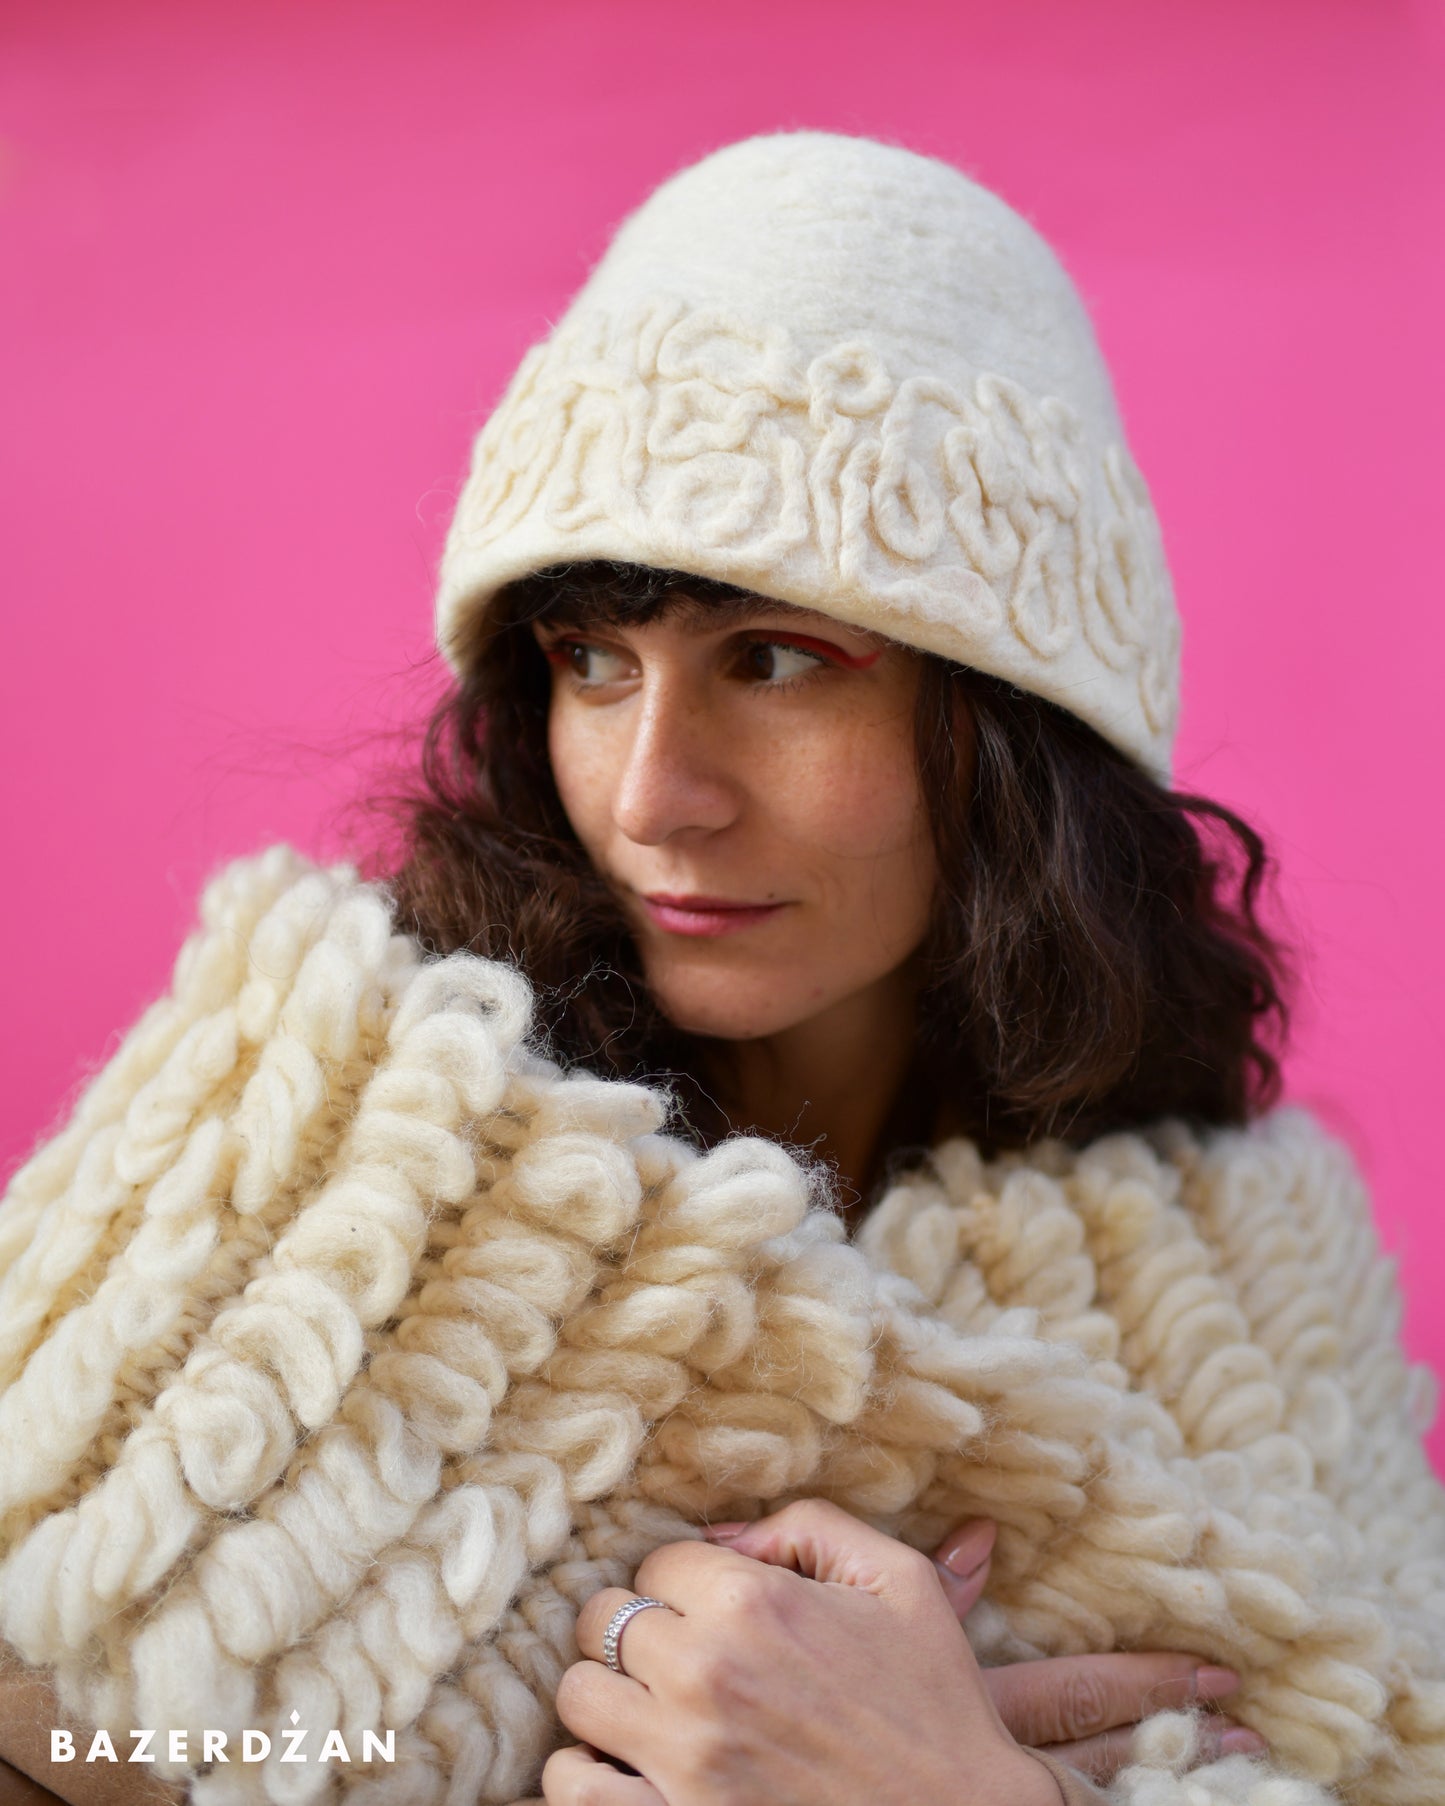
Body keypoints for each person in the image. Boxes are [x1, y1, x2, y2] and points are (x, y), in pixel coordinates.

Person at [0, 132, 1441, 1806]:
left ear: (1017, 739)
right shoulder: (298, 1164)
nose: (649, 793)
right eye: (591, 660)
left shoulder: (1256, 1301)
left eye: (773, 660)